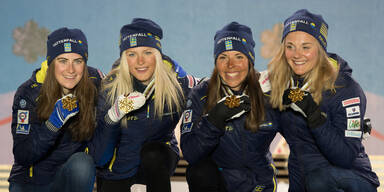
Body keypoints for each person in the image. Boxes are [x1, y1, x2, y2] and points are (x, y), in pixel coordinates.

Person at [267, 9, 380, 191]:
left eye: (306, 47)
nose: (297, 54)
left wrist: (314, 115)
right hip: (303, 179)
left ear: (320, 48)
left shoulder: (346, 90)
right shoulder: (279, 84)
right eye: (290, 46)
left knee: (319, 178)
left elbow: (344, 158)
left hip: (350, 181)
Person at [95, 18, 198, 192]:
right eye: (132, 54)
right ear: (124, 58)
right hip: (118, 168)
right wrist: (113, 117)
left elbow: (211, 91)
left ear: (158, 55)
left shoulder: (177, 83)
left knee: (153, 154)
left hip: (157, 160)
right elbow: (99, 156)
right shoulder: (109, 88)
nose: (140, 61)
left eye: (148, 52)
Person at [180, 21, 280, 192]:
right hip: (218, 182)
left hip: (258, 182)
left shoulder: (269, 92)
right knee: (199, 171)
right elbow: (191, 153)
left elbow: (301, 142)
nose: (230, 65)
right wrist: (214, 119)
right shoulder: (201, 94)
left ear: (250, 60)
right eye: (223, 57)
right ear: (216, 62)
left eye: (239, 56)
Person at [8, 28, 106, 192]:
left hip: (68, 176)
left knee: (83, 164)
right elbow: (23, 155)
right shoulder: (29, 93)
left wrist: (113, 117)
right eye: (62, 60)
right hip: (31, 183)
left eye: (78, 61)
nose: (70, 69)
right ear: (50, 62)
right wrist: (53, 123)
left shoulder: (95, 81)